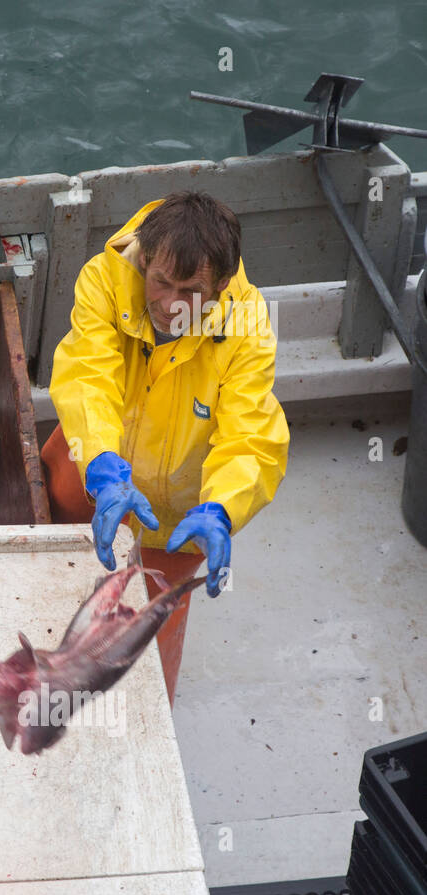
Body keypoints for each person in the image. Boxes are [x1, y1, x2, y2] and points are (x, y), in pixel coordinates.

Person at [41, 190, 289, 703]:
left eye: (191, 291)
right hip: (94, 460)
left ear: (221, 286)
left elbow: (250, 434)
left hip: (179, 511)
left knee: (155, 638)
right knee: (46, 577)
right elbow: (90, 375)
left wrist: (223, 507)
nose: (171, 305)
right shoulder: (104, 280)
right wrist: (105, 468)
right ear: (145, 262)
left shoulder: (250, 327)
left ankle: (147, 715)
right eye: (160, 282)